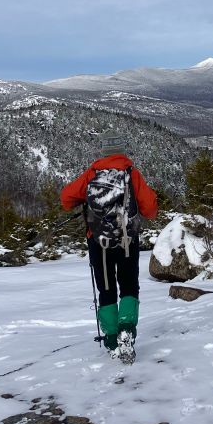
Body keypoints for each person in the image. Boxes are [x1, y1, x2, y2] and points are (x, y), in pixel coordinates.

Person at [61, 135, 158, 356]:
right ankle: (127, 329)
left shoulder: (93, 173)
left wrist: (86, 202)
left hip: (98, 242)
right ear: (121, 151)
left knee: (106, 290)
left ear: (104, 152)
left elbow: (66, 198)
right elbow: (150, 208)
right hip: (127, 240)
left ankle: (112, 339)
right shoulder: (131, 173)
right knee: (129, 286)